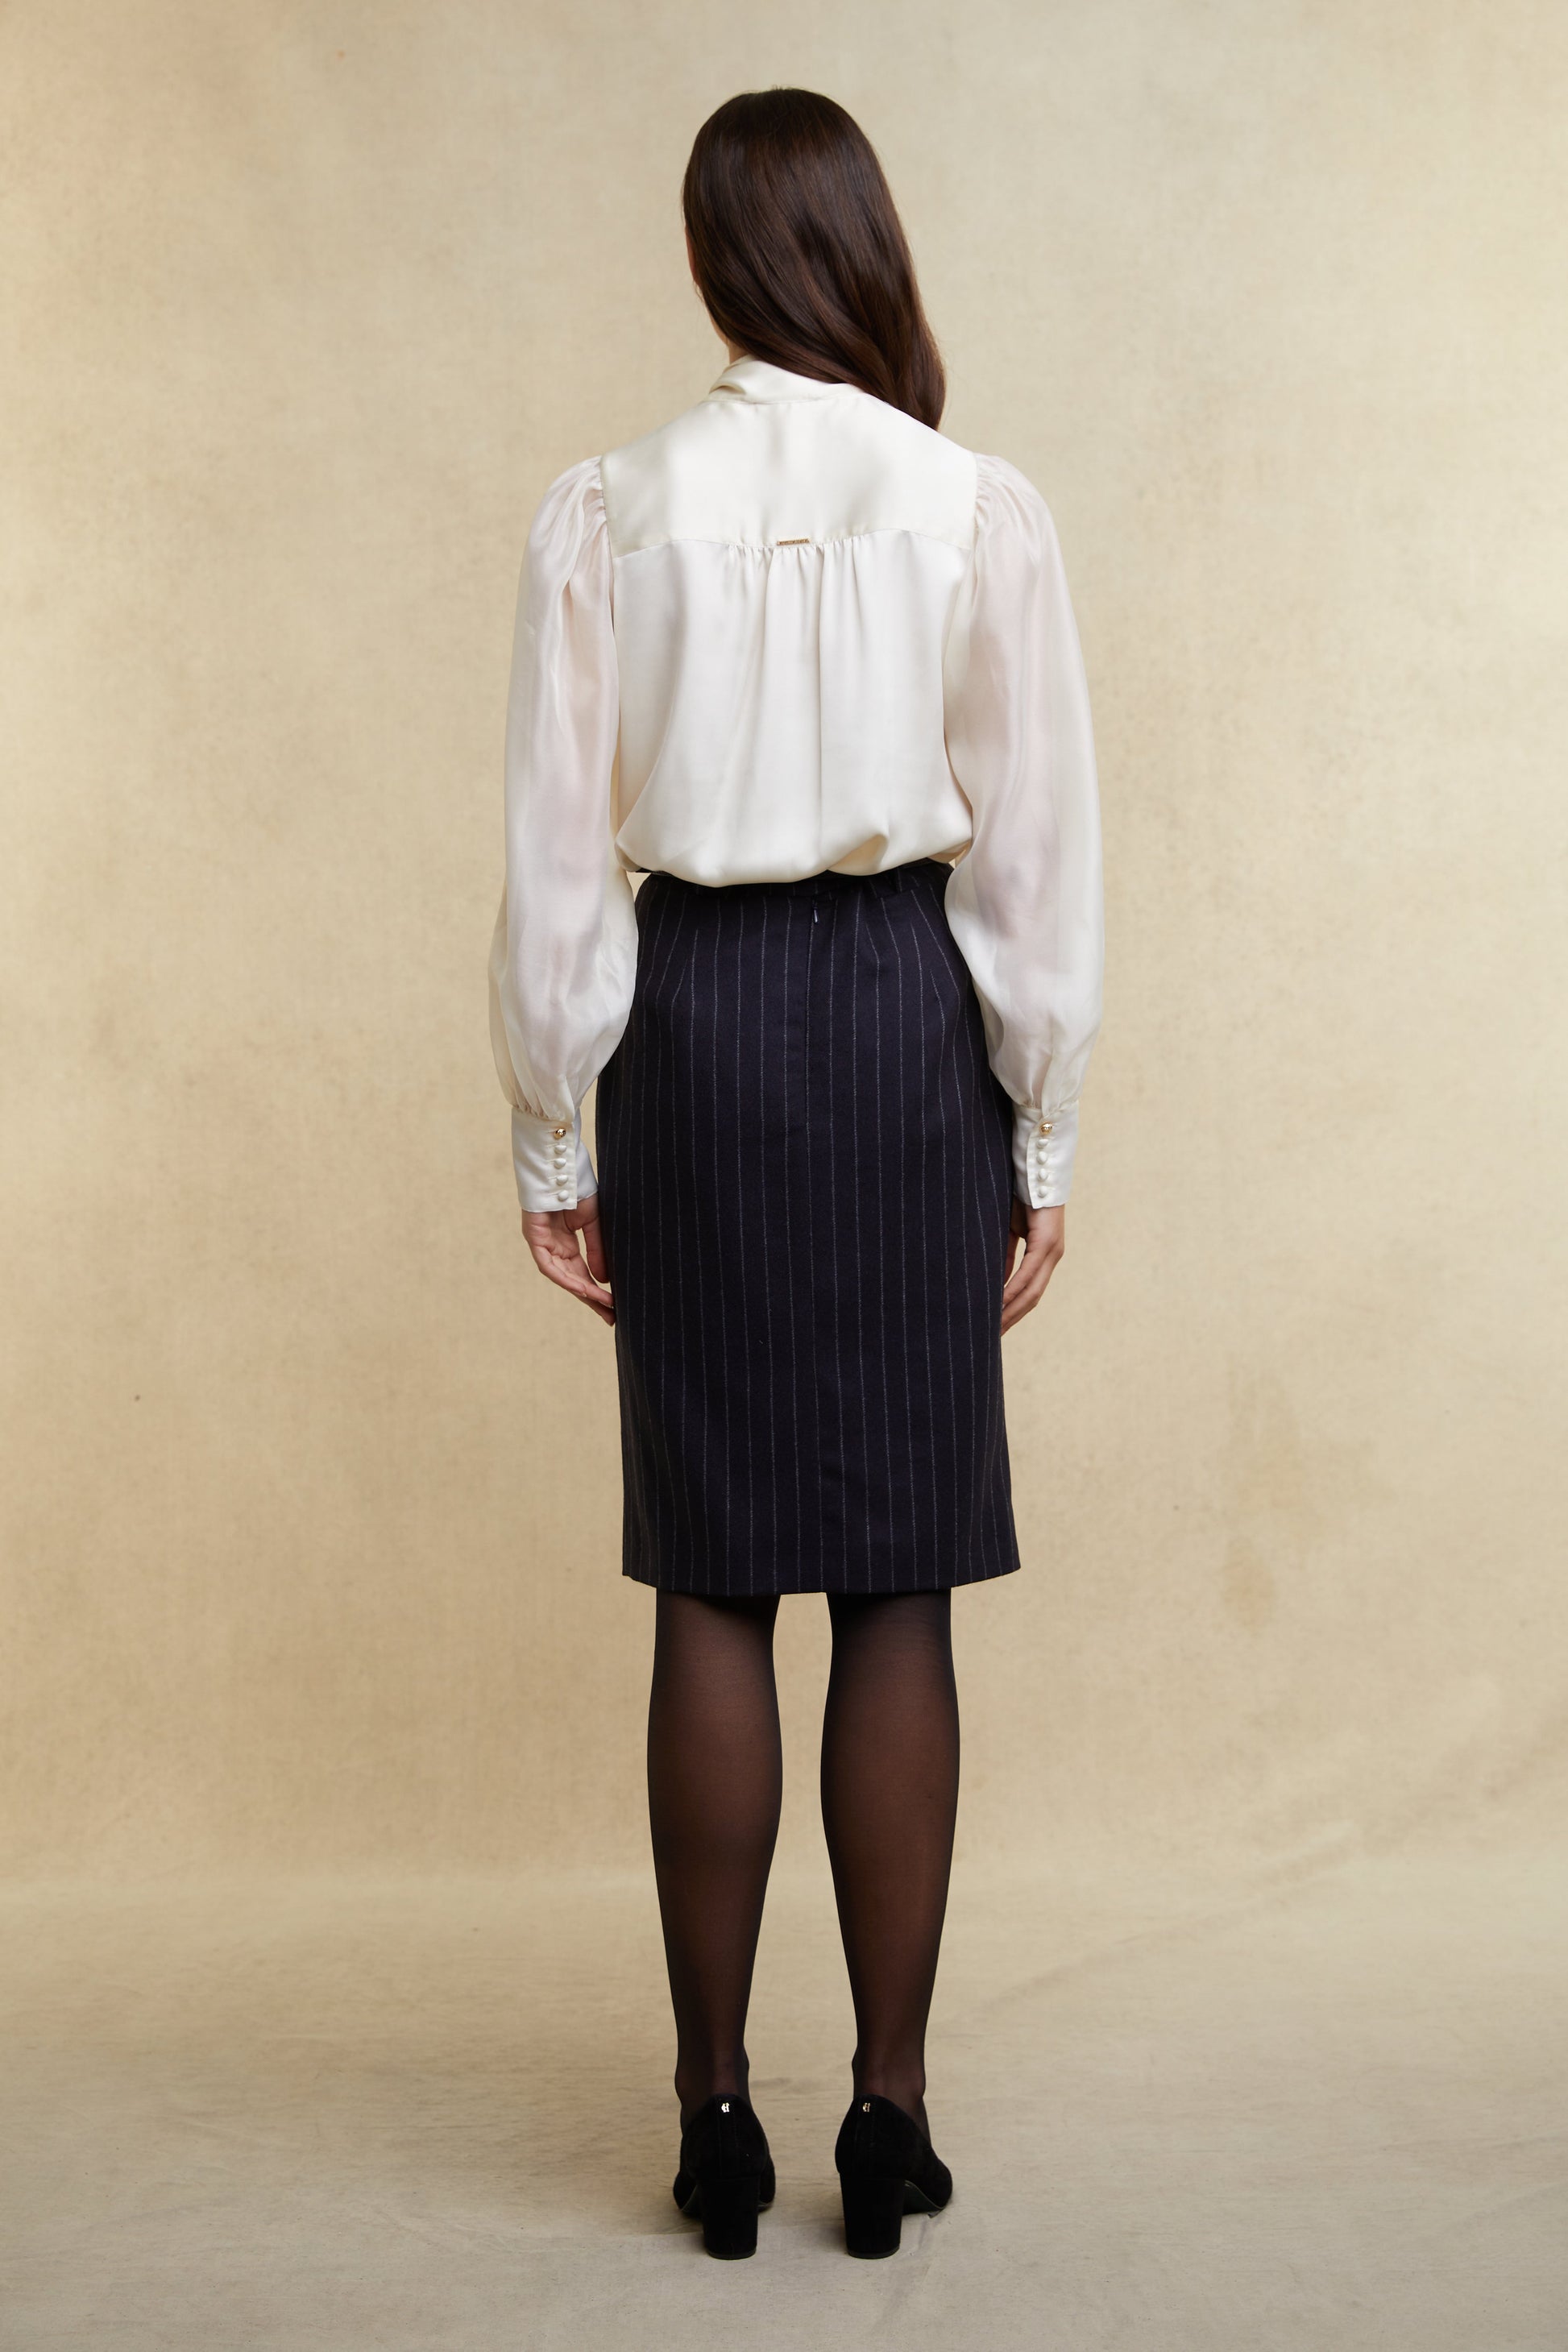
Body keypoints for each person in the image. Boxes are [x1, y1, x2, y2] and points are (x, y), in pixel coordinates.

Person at [488, 86, 1102, 2261]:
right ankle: (891, 2115)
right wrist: (1039, 1122)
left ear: (710, 259)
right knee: (898, 1582)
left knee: (715, 1578)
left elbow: (559, 862)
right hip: (904, 1026)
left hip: (699, 1032)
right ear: (861, 243)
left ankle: (714, 2116)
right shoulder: (971, 504)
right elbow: (1032, 855)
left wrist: (555, 1129)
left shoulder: (609, 509)